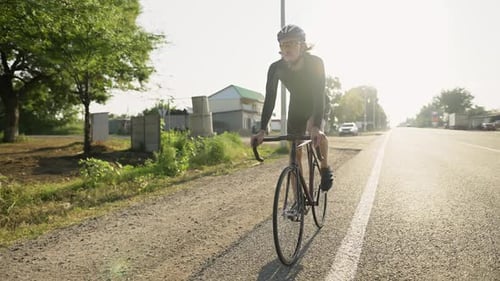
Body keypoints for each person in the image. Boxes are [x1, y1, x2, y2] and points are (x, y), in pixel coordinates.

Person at [251, 24, 333, 191]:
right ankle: (298, 200)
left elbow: (318, 94)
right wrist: (262, 129)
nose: (286, 48)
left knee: (315, 131)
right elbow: (270, 98)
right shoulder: (276, 68)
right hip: (296, 107)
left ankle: (325, 168)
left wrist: (316, 125)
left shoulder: (316, 63)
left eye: (291, 43)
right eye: (282, 44)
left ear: (302, 46)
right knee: (294, 155)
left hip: (317, 104)